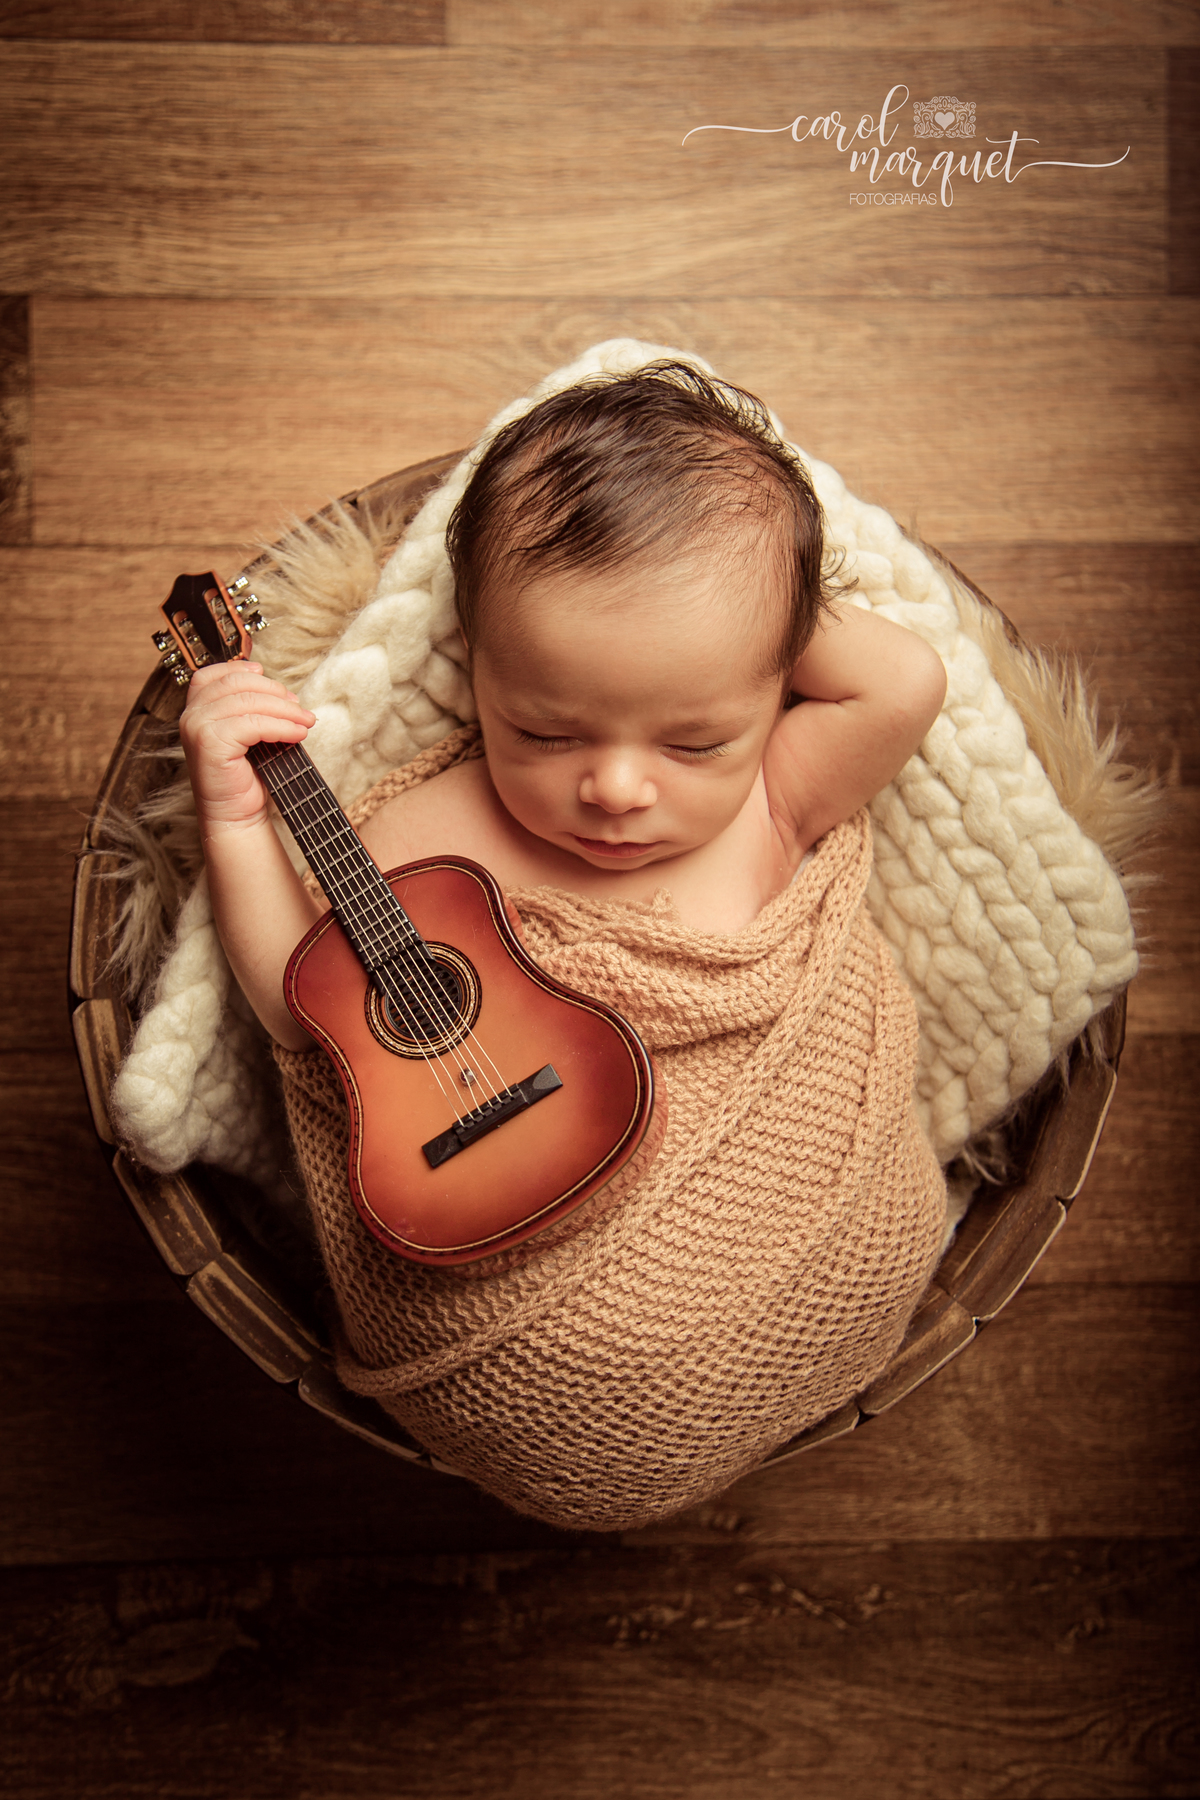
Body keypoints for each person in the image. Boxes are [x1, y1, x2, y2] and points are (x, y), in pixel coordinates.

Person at [179, 362, 951, 1531]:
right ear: (476, 665)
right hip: (493, 1318)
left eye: (695, 740)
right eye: (542, 728)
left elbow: (903, 681)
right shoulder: (420, 835)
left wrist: (744, 597)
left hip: (810, 1229)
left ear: (772, 691)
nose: (616, 788)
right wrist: (238, 819)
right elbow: (305, 1011)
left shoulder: (775, 802)